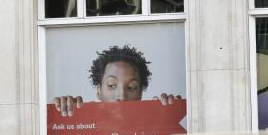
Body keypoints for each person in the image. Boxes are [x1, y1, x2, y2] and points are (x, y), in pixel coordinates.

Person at [53, 45, 181, 116]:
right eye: (112, 85)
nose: (122, 97)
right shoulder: (81, 124)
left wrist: (170, 114)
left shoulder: (154, 122)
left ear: (141, 92)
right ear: (99, 90)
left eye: (131, 87)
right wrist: (58, 111)